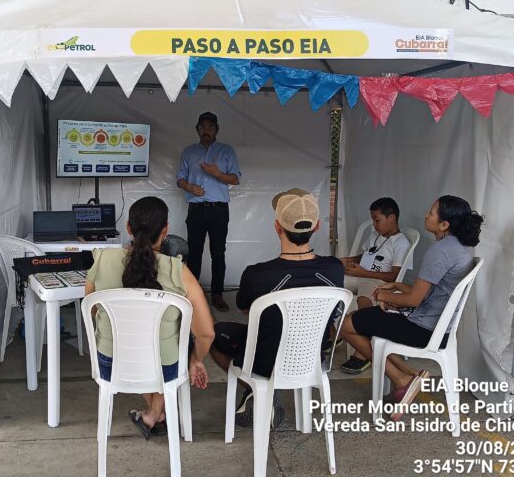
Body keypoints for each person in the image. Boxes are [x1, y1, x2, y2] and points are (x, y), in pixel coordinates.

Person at [340, 195, 483, 420]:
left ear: (444, 225)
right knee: (367, 321)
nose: (426, 215)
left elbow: (415, 300)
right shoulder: (460, 248)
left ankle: (401, 379)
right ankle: (409, 373)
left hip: (422, 329)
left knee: (347, 324)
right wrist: (396, 286)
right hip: (438, 327)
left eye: (432, 212)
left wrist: (383, 295)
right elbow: (430, 293)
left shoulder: (440, 251)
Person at [210, 188, 345, 427]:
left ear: (277, 227)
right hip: (313, 357)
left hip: (264, 361)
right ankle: (261, 395)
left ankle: (259, 391)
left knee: (214, 334)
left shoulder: (257, 274)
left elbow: (246, 310)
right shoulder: (335, 269)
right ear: (316, 228)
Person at [84, 196, 215, 440]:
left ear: (128, 229)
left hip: (110, 365)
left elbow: (92, 310)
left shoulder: (101, 259)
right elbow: (206, 333)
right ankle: (155, 412)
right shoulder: (179, 272)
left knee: (135, 345)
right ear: (165, 230)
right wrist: (195, 360)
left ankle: (154, 413)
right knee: (182, 342)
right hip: (164, 368)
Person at [176, 111, 240, 312]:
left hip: (218, 210)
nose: (206, 131)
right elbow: (180, 178)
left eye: (210, 127)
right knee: (193, 254)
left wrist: (217, 173)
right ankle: (193, 296)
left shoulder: (226, 151)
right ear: (197, 129)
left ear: (217, 130)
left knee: (218, 254)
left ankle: (218, 295)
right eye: (202, 127)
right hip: (195, 209)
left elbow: (235, 179)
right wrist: (189, 187)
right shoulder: (188, 152)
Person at [339, 197, 410, 374]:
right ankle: (333, 334)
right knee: (333, 285)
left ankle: (362, 353)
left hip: (380, 281)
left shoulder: (401, 242)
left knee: (364, 298)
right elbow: (365, 256)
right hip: (362, 275)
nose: (374, 224)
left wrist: (363, 273)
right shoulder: (376, 236)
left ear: (391, 218)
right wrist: (346, 261)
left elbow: (394, 276)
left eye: (377, 220)